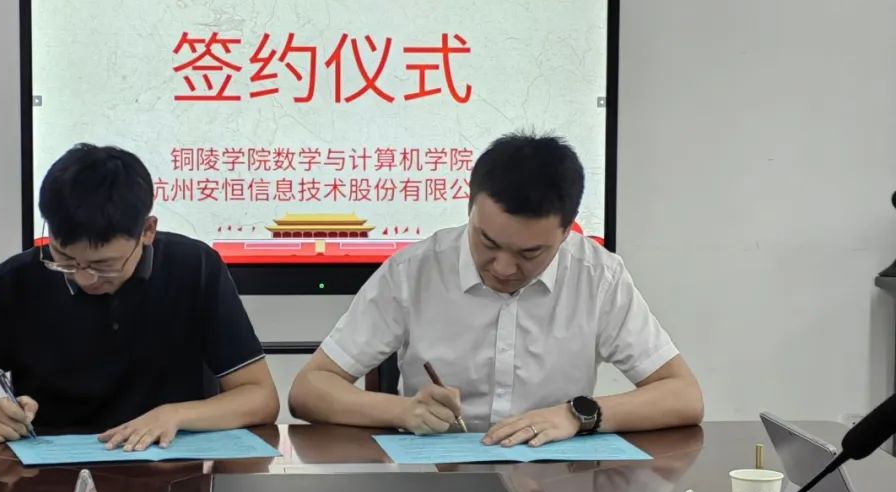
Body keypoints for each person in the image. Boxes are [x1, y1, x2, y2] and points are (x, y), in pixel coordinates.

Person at [289, 133, 703, 445]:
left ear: (566, 233)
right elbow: (309, 389)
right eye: (487, 242)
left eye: (530, 253)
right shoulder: (414, 271)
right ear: (469, 208)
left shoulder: (598, 276)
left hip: (556, 488)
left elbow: (683, 396)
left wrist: (577, 415)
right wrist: (402, 411)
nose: (503, 268)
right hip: (436, 485)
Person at [0, 144, 279, 449]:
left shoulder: (194, 267)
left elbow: (259, 397)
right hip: (49, 479)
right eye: (65, 260)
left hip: (171, 468)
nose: (84, 278)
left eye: (104, 265)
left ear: (147, 231)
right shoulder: (17, 281)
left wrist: (176, 414)